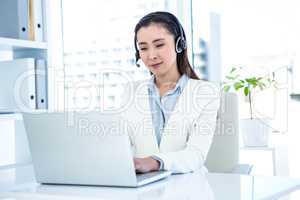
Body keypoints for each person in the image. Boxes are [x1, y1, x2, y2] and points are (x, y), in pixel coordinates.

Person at [121, 11, 220, 174]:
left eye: (159, 45)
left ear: (179, 44)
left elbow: (196, 155)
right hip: (143, 187)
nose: (151, 55)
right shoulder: (131, 91)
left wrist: (155, 162)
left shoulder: (206, 93)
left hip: (189, 186)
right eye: (143, 48)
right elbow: (121, 145)